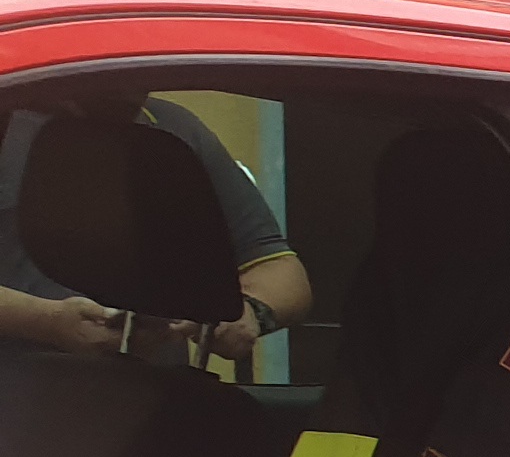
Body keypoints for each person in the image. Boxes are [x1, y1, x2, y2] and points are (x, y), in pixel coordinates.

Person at [0, 95, 311, 364]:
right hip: (20, 400)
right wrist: (46, 322)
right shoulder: (9, 123)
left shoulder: (175, 131)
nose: (130, 85)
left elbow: (282, 271)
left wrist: (249, 313)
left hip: (156, 401)